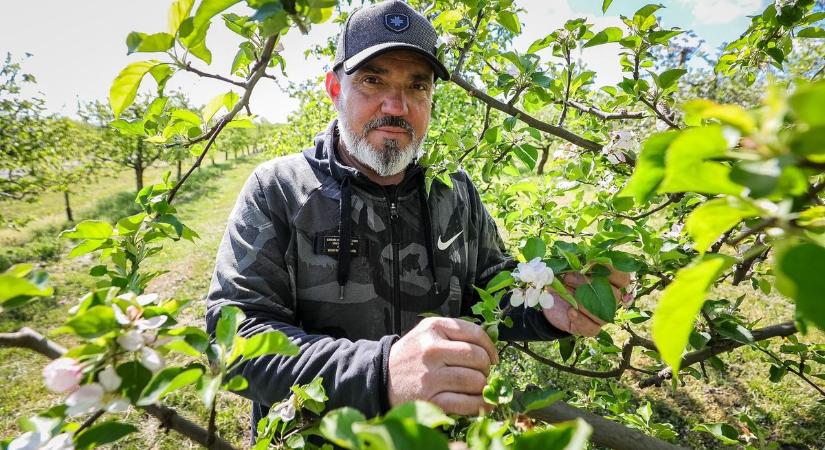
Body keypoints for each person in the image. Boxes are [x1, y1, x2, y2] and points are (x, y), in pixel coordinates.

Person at [205, 0, 631, 437]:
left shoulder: (454, 190)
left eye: (417, 86)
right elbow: (235, 339)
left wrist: (548, 307)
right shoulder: (279, 189)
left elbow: (491, 287)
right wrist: (381, 373)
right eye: (373, 80)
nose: (397, 105)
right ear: (334, 88)